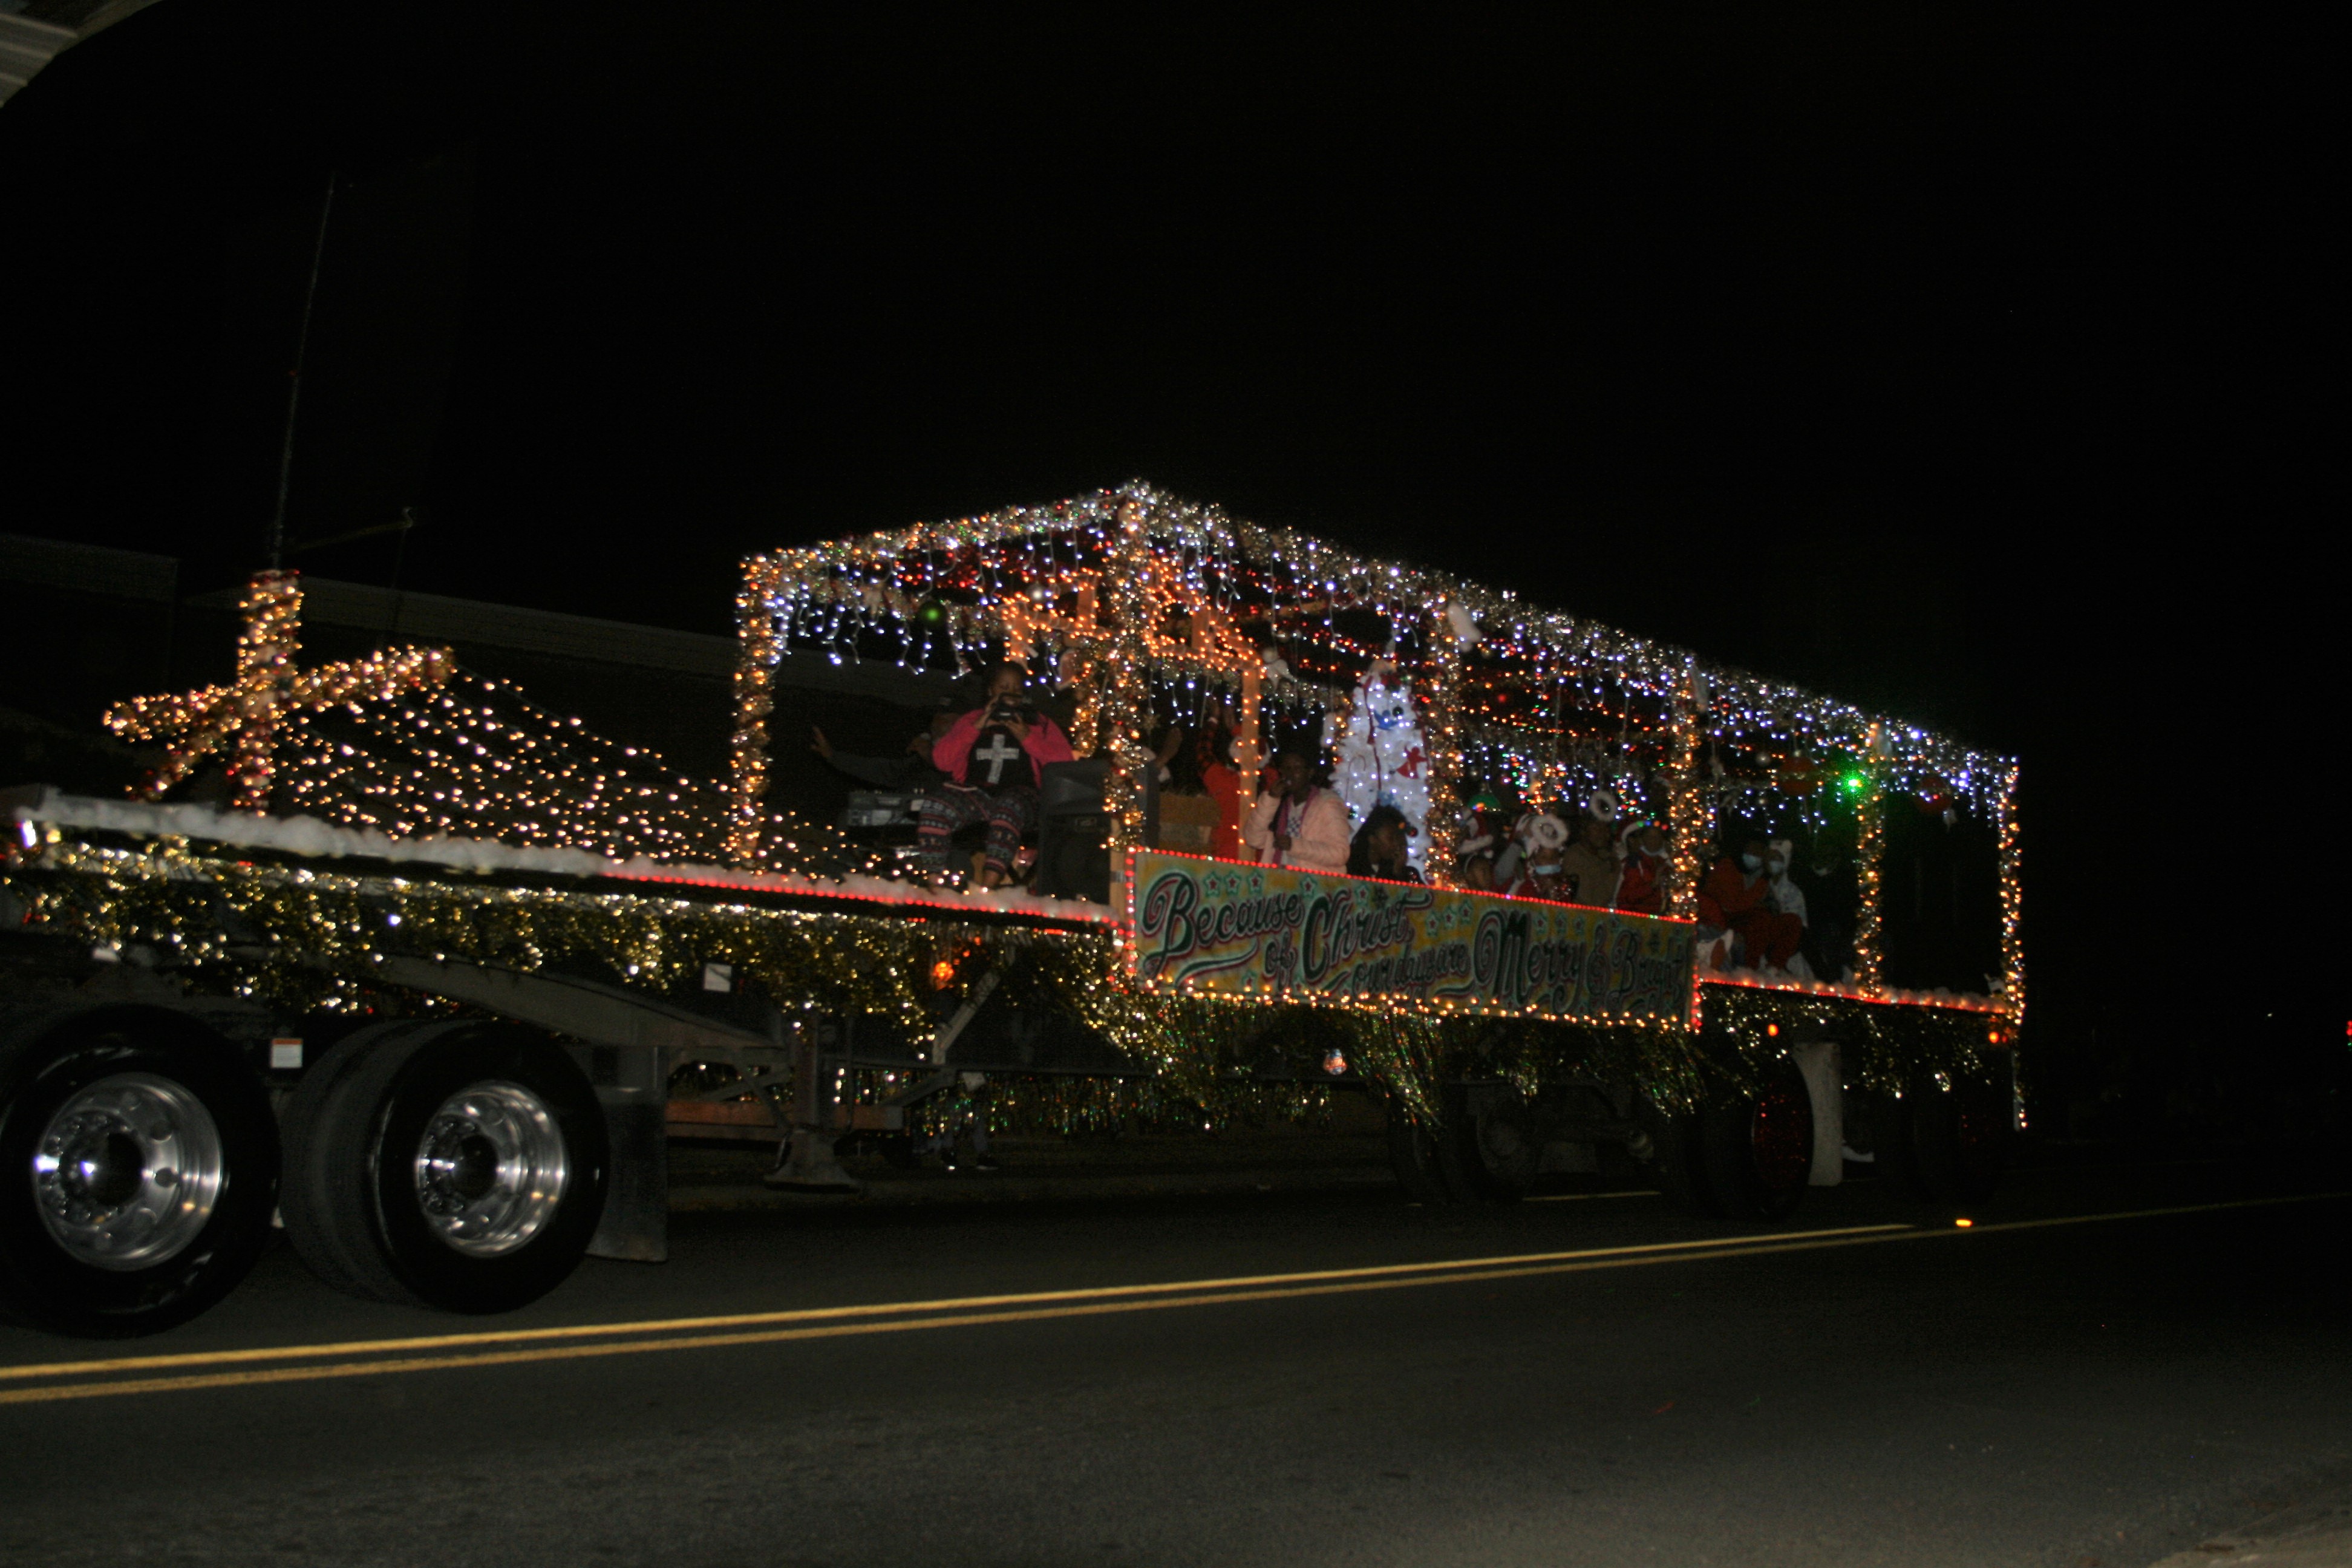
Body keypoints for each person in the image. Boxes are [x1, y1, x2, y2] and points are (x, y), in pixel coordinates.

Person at [916, 661, 1074, 889]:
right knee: (935, 806)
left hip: (1022, 797)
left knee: (1007, 808)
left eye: (1017, 690)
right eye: (1004, 688)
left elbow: (1064, 764)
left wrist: (1028, 737)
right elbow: (942, 761)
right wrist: (978, 726)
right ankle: (935, 886)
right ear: (991, 691)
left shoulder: (1039, 723)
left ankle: (987, 888)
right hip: (977, 794)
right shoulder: (972, 719)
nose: (1010, 694)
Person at [1697, 832, 1803, 975]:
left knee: (1792, 921)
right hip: (1725, 922)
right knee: (1760, 918)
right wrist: (1764, 880)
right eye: (1752, 850)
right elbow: (1735, 905)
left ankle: (1773, 969)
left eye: (1759, 851)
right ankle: (1749, 970)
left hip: (1752, 922)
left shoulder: (1761, 873)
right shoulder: (1727, 868)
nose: (1755, 854)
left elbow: (1772, 905)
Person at [1242, 746, 1350, 872]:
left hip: (1315, 886)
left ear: (1310, 772)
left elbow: (1340, 854)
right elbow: (1253, 840)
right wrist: (1270, 799)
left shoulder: (1327, 805)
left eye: (1297, 769)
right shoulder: (1280, 805)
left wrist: (1294, 846)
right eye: (1286, 769)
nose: (1291, 775)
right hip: (1280, 883)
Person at [810, 701, 955, 791]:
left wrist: (930, 757)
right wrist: (833, 756)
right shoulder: (919, 761)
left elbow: (961, 781)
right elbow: (883, 771)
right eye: (934, 719)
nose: (935, 724)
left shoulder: (972, 752)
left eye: (943, 719)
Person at [1496, 809, 1571, 898]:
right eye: (1544, 857)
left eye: (1553, 858)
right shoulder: (1523, 887)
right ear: (1534, 860)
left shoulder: (1565, 888)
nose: (1549, 863)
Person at [1555, 811, 1623, 908]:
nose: (1602, 834)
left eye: (1606, 829)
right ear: (1584, 831)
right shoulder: (1575, 856)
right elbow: (1591, 902)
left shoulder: (1606, 856)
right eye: (1596, 829)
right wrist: (1614, 871)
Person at [1346, 802, 1422, 882]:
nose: (1396, 844)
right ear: (1372, 839)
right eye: (1391, 838)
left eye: (1399, 838)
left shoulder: (1408, 874)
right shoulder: (1349, 866)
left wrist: (1398, 873)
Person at [1614, 818, 1671, 914]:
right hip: (1637, 919)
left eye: (1657, 837)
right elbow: (1627, 897)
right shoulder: (1634, 862)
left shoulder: (1665, 864)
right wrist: (1653, 885)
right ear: (1642, 840)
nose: (1654, 841)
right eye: (1650, 837)